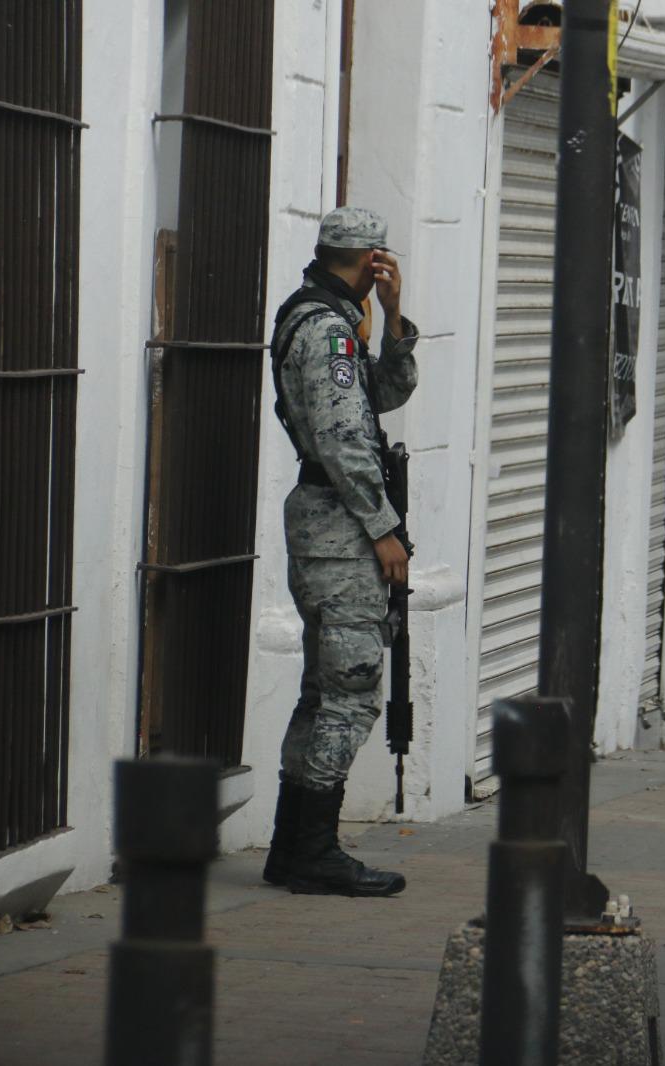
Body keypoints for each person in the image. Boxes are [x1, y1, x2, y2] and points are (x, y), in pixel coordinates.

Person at [262, 207, 420, 897]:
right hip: (342, 529)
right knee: (351, 696)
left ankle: (292, 849)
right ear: (369, 257)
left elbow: (384, 393)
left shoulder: (324, 318)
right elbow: (345, 441)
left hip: (328, 524)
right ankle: (314, 851)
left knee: (323, 693)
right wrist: (385, 528)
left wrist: (392, 319)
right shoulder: (326, 330)